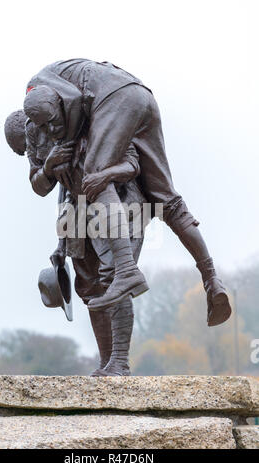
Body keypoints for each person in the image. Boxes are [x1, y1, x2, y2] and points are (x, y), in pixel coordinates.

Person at [24, 59, 231, 326]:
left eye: (52, 122)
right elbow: (40, 180)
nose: (51, 131)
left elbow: (75, 100)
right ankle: (212, 278)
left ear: (56, 104)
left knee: (93, 174)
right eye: (44, 127)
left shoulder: (46, 88)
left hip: (117, 99)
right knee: (168, 200)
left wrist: (72, 149)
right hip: (141, 98)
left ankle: (126, 270)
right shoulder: (47, 104)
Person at [4, 109, 147, 376]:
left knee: (114, 278)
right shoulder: (42, 143)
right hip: (79, 214)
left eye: (26, 146)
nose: (30, 151)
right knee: (90, 288)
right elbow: (49, 186)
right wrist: (61, 243)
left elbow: (132, 164)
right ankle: (107, 362)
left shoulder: (86, 122)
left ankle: (119, 362)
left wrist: (103, 177)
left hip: (121, 205)